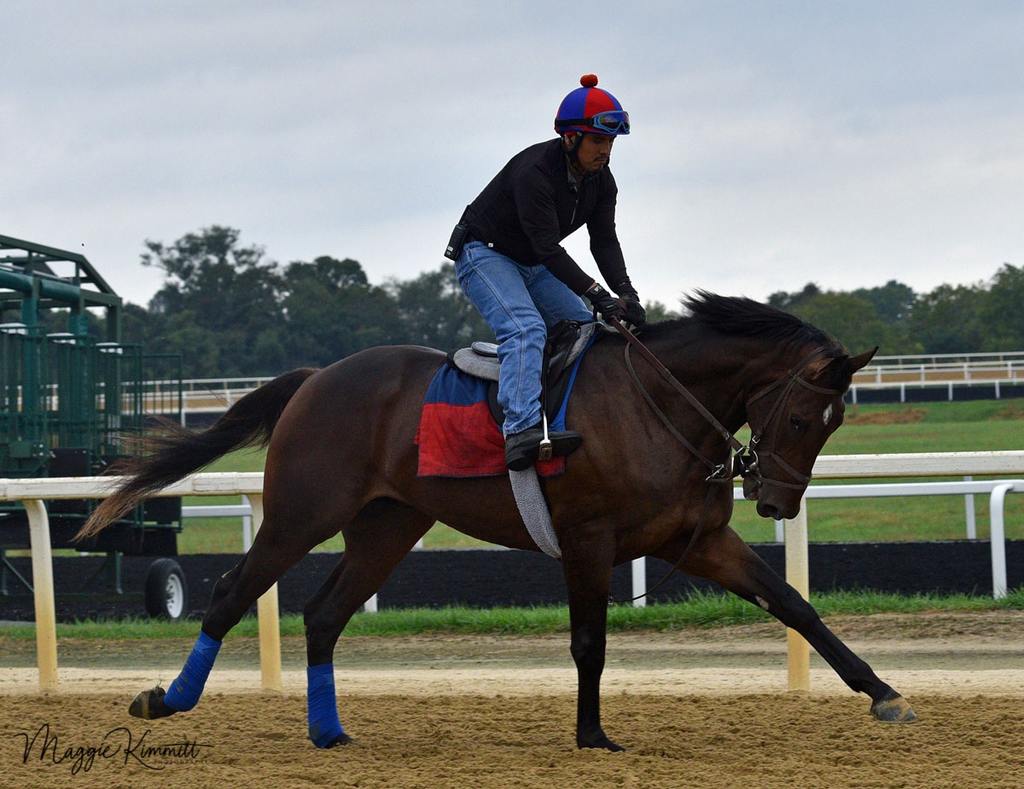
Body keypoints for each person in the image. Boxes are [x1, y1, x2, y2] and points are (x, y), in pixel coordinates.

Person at [448, 73, 646, 471]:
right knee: (526, 329)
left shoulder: (602, 182)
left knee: (587, 330)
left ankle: (569, 416)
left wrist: (626, 294)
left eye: (610, 142)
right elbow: (547, 249)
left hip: (533, 263)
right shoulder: (535, 172)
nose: (605, 151)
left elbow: (603, 241)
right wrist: (596, 294)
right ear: (571, 138)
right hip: (484, 254)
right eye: (598, 141)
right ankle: (520, 430)